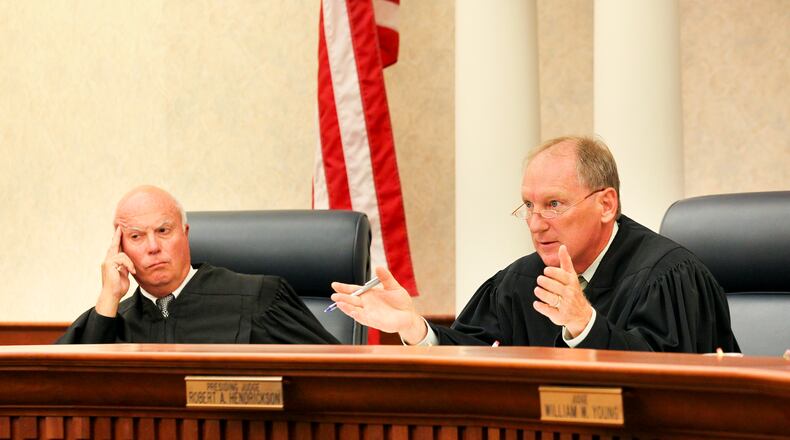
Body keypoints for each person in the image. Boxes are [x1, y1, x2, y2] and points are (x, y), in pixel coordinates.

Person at [330, 136, 739, 352]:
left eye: (554, 204)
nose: (536, 224)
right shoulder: (519, 282)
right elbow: (476, 358)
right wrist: (415, 328)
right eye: (529, 206)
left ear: (606, 204)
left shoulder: (668, 276)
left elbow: (671, 386)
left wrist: (586, 326)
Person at [57, 185, 338, 344]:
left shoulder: (258, 299)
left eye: (163, 231)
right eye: (136, 237)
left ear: (185, 234)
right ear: (120, 249)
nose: (153, 247)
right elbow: (67, 390)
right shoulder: (114, 321)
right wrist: (109, 298)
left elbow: (335, 375)